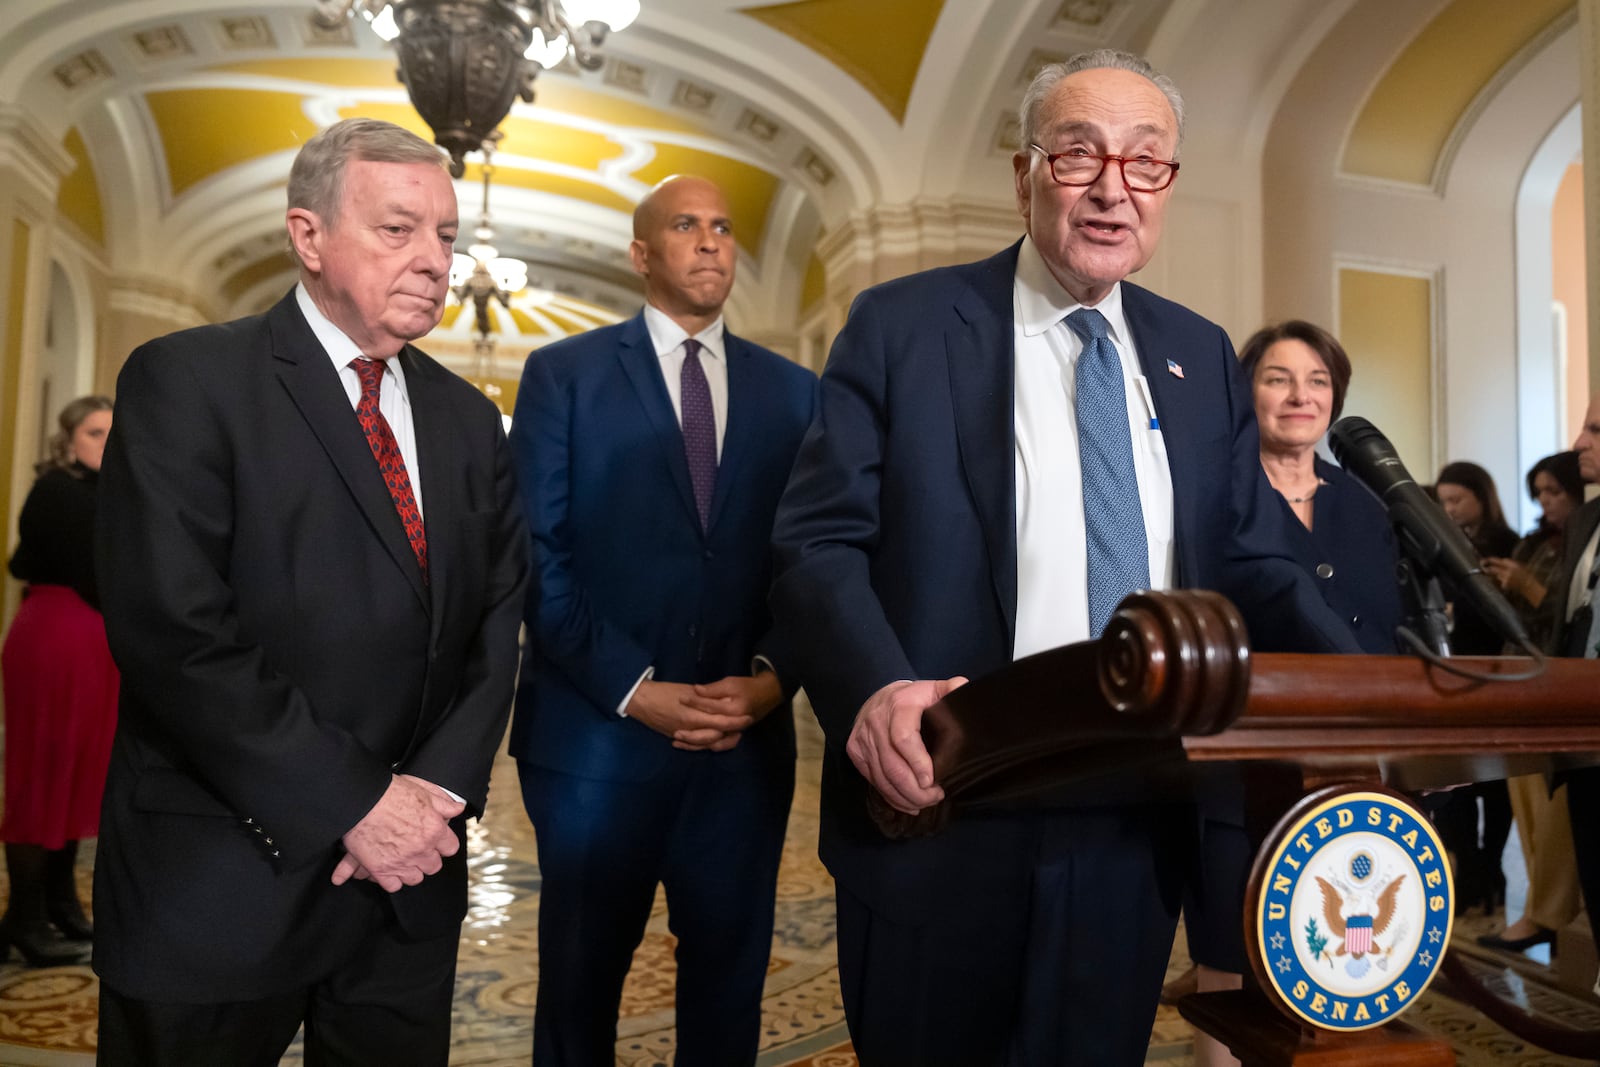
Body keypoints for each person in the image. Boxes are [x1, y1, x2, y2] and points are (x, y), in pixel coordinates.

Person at [768, 50, 1360, 1065]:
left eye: (1145, 162)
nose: (1112, 188)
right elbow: (816, 541)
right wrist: (872, 692)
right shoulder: (904, 327)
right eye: (1079, 155)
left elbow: (1252, 561)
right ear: (1025, 174)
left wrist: (1370, 696)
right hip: (946, 787)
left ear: (1167, 185)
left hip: (1133, 812)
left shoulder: (1200, 353)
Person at [91, 118, 529, 1064]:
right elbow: (175, 629)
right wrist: (354, 803)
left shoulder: (467, 420)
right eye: (397, 229)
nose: (433, 261)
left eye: (446, 237)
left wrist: (433, 795)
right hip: (221, 872)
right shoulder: (188, 379)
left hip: (412, 877)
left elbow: (496, 625)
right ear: (309, 235)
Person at [507, 175, 816, 1065]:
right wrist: (634, 690)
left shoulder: (797, 395)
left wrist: (772, 679)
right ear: (643, 254)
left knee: (728, 982)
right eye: (686, 225)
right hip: (595, 743)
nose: (712, 241)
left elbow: (817, 560)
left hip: (740, 745)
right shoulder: (564, 376)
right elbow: (538, 553)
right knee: (579, 983)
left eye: (723, 226)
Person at [1165, 322, 1405, 1062]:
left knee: (1338, 963)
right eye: (1277, 377)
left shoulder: (1367, 505)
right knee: (1227, 962)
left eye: (1318, 380)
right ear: (1244, 393)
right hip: (1232, 763)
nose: (1300, 395)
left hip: (1344, 767)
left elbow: (1387, 635)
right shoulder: (1211, 500)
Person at [0, 396, 117, 967]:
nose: (106, 442)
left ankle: (59, 901)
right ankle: (23, 916)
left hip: (93, 642)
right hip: (56, 635)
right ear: (67, 439)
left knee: (76, 776)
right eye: (95, 433)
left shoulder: (106, 491)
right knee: (39, 777)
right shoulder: (59, 490)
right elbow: (94, 575)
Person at [1476, 451, 1588, 952]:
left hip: (1560, 683)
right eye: (1539, 492)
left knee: (1557, 809)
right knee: (1525, 802)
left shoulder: (1583, 544)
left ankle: (1549, 912)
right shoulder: (1535, 541)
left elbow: (1565, 617)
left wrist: (1525, 586)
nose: (1545, 502)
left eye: (1554, 492)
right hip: (1519, 682)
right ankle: (1542, 912)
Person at [1432, 459, 1519, 914]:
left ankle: (1490, 866)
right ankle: (1470, 869)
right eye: (1442, 501)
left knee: (1497, 784)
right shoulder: (1440, 542)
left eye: (1456, 500)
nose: (1447, 509)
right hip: (1454, 672)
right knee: (1457, 787)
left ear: (1481, 498)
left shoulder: (1508, 544)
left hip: (1494, 673)